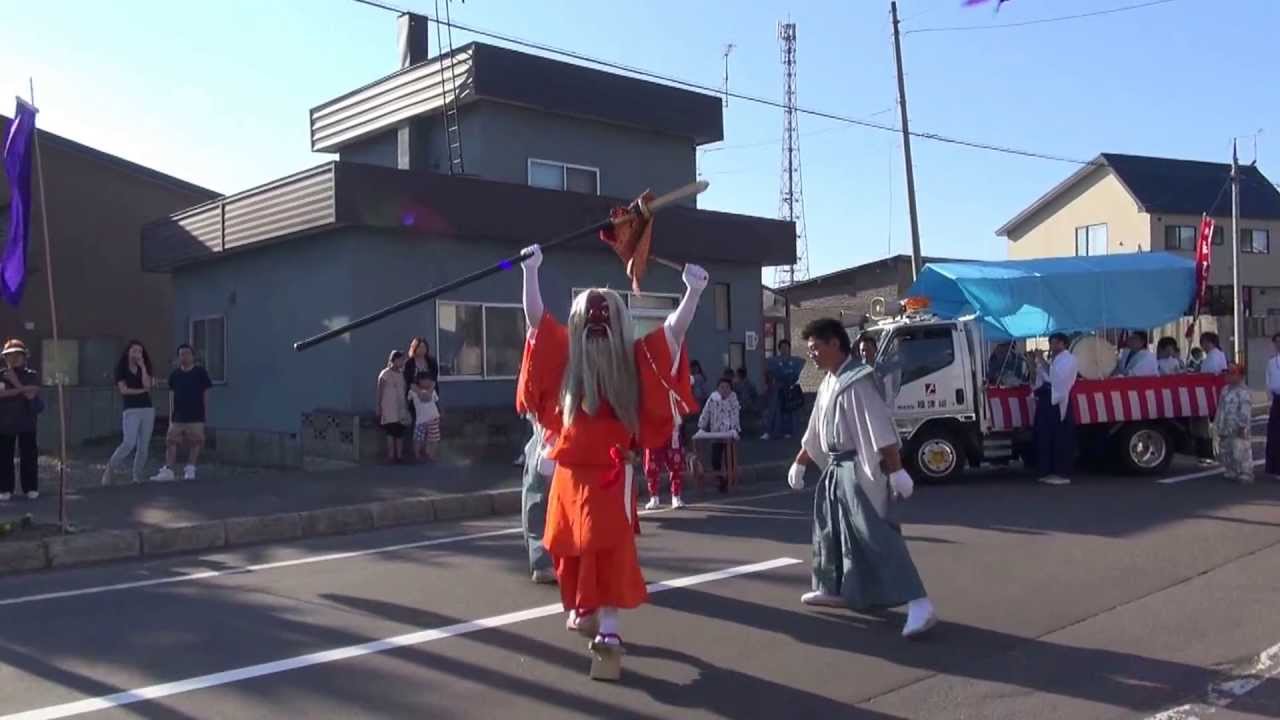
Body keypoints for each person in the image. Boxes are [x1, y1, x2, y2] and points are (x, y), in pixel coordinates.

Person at [515, 243, 705, 679]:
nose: (598, 328)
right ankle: (585, 612)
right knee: (569, 549)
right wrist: (530, 274)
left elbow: (671, 335)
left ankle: (611, 627)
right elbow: (536, 323)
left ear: (620, 326)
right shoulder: (566, 360)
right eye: (590, 321)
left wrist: (692, 294)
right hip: (567, 475)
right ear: (578, 326)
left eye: (606, 320)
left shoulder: (634, 362)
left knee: (611, 549)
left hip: (612, 476)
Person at [787, 318, 937, 639]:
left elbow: (878, 428)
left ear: (834, 344)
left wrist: (896, 470)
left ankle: (919, 602)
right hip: (835, 470)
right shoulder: (830, 381)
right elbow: (814, 431)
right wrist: (800, 462)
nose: (812, 354)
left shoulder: (857, 380)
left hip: (858, 469)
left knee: (875, 535)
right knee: (834, 533)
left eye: (815, 347)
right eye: (809, 348)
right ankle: (838, 588)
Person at [149, 344, 214, 482]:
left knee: (196, 442)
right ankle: (169, 470)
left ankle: (190, 468)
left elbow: (206, 393)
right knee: (171, 441)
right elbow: (171, 396)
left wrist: (205, 413)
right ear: (179, 357)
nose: (184, 356)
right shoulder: (175, 375)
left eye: (187, 353)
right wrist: (170, 416)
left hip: (196, 414)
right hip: (178, 415)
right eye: (181, 354)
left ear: (192, 356)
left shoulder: (200, 372)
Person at [104, 340, 156, 485]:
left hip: (147, 409)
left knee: (143, 446)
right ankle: (110, 468)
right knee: (129, 442)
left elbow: (148, 385)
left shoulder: (144, 368)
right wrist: (141, 391)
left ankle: (137, 476)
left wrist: (143, 367)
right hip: (131, 410)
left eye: (140, 351)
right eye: (134, 351)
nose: (137, 354)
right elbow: (124, 390)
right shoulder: (121, 368)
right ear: (128, 352)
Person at [1031, 333, 1078, 486]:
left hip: (1058, 401)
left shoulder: (1069, 359)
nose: (1052, 346)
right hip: (1046, 400)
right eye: (1051, 343)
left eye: (1056, 343)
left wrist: (1042, 360)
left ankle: (1062, 472)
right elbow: (1041, 378)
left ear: (1064, 344)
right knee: (1045, 436)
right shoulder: (1054, 360)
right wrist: (1033, 363)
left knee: (1060, 437)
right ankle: (1047, 470)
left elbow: (1057, 378)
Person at [0, 340, 41, 501]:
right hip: (4, 422)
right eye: (10, 355)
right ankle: (5, 488)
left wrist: (15, 383)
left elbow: (32, 394)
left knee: (29, 455)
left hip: (27, 421)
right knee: (4, 457)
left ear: (24, 357)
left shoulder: (31, 375)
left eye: (18, 355)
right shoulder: (1, 375)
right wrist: (23, 389)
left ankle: (30, 487)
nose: (14, 358)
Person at [520, 415, 558, 584]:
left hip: (551, 430)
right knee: (539, 498)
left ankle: (543, 561)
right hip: (550, 431)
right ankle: (543, 562)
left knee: (537, 498)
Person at [699, 375, 741, 493]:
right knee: (715, 459)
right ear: (717, 388)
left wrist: (734, 429)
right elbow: (705, 413)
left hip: (729, 433)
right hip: (716, 433)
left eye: (727, 387)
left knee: (730, 460)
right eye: (721, 387)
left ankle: (729, 480)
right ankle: (720, 479)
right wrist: (701, 427)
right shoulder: (712, 399)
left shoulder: (733, 399)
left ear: (730, 389)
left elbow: (735, 414)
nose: (724, 390)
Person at [1215, 363, 1254, 484]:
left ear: (1240, 375)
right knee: (1226, 449)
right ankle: (1231, 469)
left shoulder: (1244, 392)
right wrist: (1217, 423)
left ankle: (1245, 472)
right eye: (1227, 373)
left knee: (1241, 449)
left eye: (1232, 373)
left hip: (1238, 425)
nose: (1228, 376)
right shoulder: (1225, 390)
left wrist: (1242, 425)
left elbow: (1245, 410)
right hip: (1225, 424)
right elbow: (1220, 407)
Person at [763, 340, 805, 440]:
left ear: (789, 348)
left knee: (790, 410)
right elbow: (770, 372)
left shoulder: (795, 360)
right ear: (779, 349)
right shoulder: (774, 360)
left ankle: (789, 432)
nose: (784, 349)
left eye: (786, 347)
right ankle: (769, 432)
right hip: (778, 388)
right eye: (782, 347)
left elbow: (800, 367)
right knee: (773, 410)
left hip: (790, 388)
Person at [644, 421, 688, 510]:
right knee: (652, 466)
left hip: (672, 430)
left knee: (676, 464)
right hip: (653, 431)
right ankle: (654, 497)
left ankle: (676, 496)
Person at [377, 351, 410, 463]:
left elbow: (404, 390)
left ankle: (399, 456)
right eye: (400, 359)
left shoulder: (402, 374)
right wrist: (379, 406)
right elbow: (380, 390)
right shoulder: (385, 373)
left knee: (400, 431)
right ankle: (391, 456)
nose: (402, 362)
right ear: (393, 360)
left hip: (400, 406)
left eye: (403, 360)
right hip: (388, 407)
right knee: (390, 431)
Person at [407, 372, 441, 462]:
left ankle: (431, 455)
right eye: (425, 380)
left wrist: (440, 412)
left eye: (429, 380)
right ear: (419, 381)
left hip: (433, 418)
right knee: (418, 438)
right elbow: (408, 400)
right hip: (420, 419)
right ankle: (417, 455)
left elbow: (435, 402)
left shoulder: (432, 391)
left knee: (433, 438)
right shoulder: (413, 391)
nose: (427, 382)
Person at [1268, 333, 1280, 478]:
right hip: (1277, 400)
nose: (1279, 344)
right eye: (1276, 342)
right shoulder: (1272, 362)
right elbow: (1268, 381)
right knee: (1276, 435)